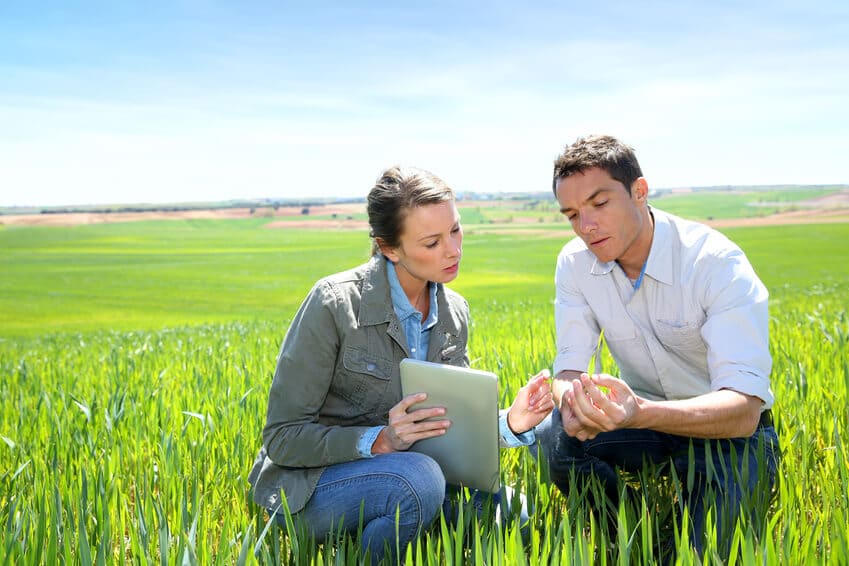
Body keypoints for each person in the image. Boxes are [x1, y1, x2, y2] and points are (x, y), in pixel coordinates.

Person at [248, 165, 554, 564]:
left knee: (513, 510)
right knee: (419, 480)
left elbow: (446, 425)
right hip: (313, 487)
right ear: (389, 248)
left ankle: (388, 532)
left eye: (456, 231)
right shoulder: (334, 303)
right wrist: (380, 440)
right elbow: (283, 437)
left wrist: (510, 423)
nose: (453, 250)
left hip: (408, 477)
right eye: (432, 242)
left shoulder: (454, 312)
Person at [537, 135, 780, 556]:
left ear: (639, 192)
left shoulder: (714, 263)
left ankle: (676, 539)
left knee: (704, 555)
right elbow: (568, 369)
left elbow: (743, 410)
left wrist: (640, 412)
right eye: (573, 214)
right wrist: (576, 403)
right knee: (552, 435)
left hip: (724, 431)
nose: (586, 226)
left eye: (599, 203)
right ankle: (632, 528)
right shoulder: (574, 263)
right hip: (641, 423)